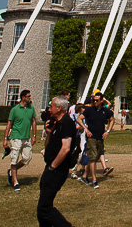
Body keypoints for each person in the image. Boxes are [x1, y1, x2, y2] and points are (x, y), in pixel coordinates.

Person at [37, 96, 76, 227]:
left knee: (44, 208)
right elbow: (48, 147)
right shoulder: (57, 124)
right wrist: (49, 133)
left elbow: (66, 148)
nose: (49, 109)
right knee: (42, 207)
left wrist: (52, 167)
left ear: (59, 108)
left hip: (57, 169)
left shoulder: (67, 123)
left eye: (51, 106)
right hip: (50, 167)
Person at [77, 91, 114, 188]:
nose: (95, 102)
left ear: (102, 101)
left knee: (94, 158)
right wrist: (86, 129)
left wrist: (108, 131)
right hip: (91, 137)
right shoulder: (89, 110)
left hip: (100, 138)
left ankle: (84, 176)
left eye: (97, 100)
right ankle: (94, 180)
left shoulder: (105, 111)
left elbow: (111, 120)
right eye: (94, 100)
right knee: (92, 159)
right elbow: (79, 119)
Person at [3, 89, 37, 191]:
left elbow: (34, 122)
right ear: (23, 98)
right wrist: (5, 139)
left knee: (27, 158)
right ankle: (15, 182)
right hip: (16, 137)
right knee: (14, 159)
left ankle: (11, 171)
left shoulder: (31, 109)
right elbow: (9, 124)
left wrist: (34, 135)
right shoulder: (15, 109)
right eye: (28, 96)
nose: (30, 98)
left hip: (26, 138)